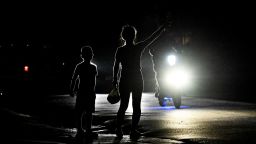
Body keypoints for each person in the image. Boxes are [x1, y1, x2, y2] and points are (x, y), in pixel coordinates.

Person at [112, 24, 166, 139]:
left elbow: (116, 67)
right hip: (136, 77)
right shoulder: (138, 47)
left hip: (125, 78)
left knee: (123, 105)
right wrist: (162, 28)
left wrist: (114, 81)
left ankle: (119, 129)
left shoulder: (120, 50)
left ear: (123, 36)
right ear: (134, 35)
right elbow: (152, 37)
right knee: (136, 106)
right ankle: (133, 130)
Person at [70, 46, 98, 139]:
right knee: (88, 112)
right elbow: (93, 81)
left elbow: (74, 79)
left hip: (84, 92)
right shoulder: (93, 67)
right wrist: (72, 89)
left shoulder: (80, 66)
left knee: (81, 112)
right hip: (88, 92)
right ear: (91, 56)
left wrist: (72, 89)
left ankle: (81, 130)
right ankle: (86, 130)